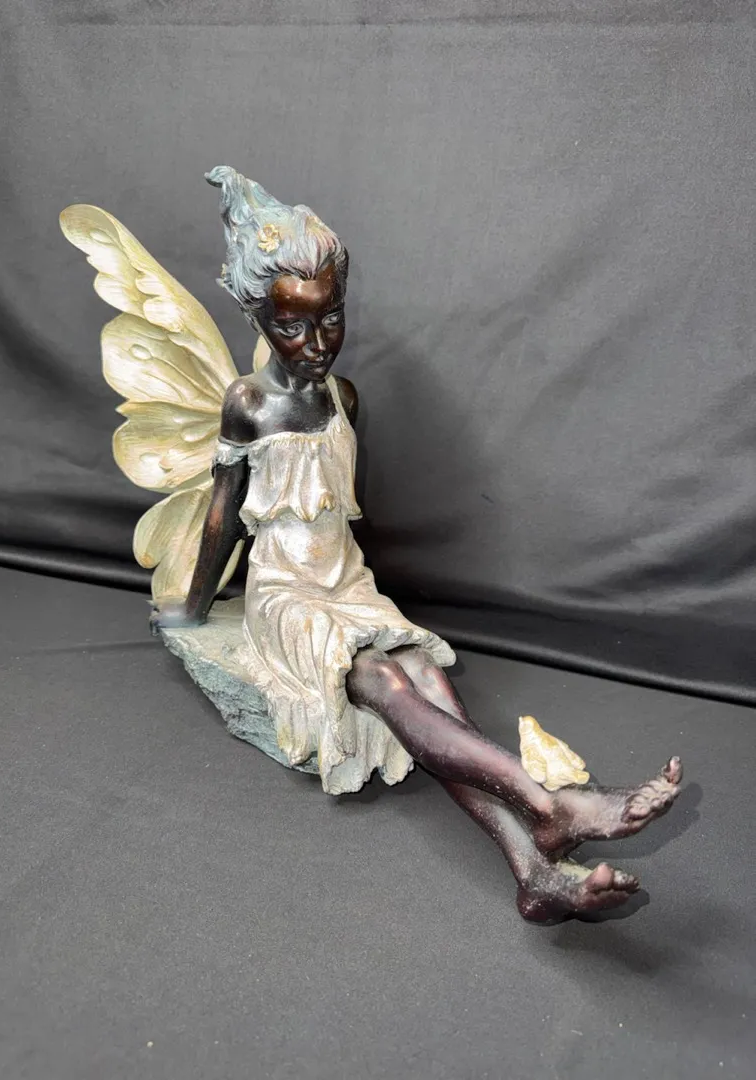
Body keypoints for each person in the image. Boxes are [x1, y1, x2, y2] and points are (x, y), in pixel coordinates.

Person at [153, 167, 682, 924]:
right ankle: (550, 803)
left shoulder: (344, 398)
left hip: (346, 582)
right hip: (287, 594)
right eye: (293, 325)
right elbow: (222, 515)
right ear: (257, 316)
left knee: (427, 678)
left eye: (332, 318)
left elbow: (336, 512)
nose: (317, 343)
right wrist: (191, 608)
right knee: (381, 680)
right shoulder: (250, 403)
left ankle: (534, 872)